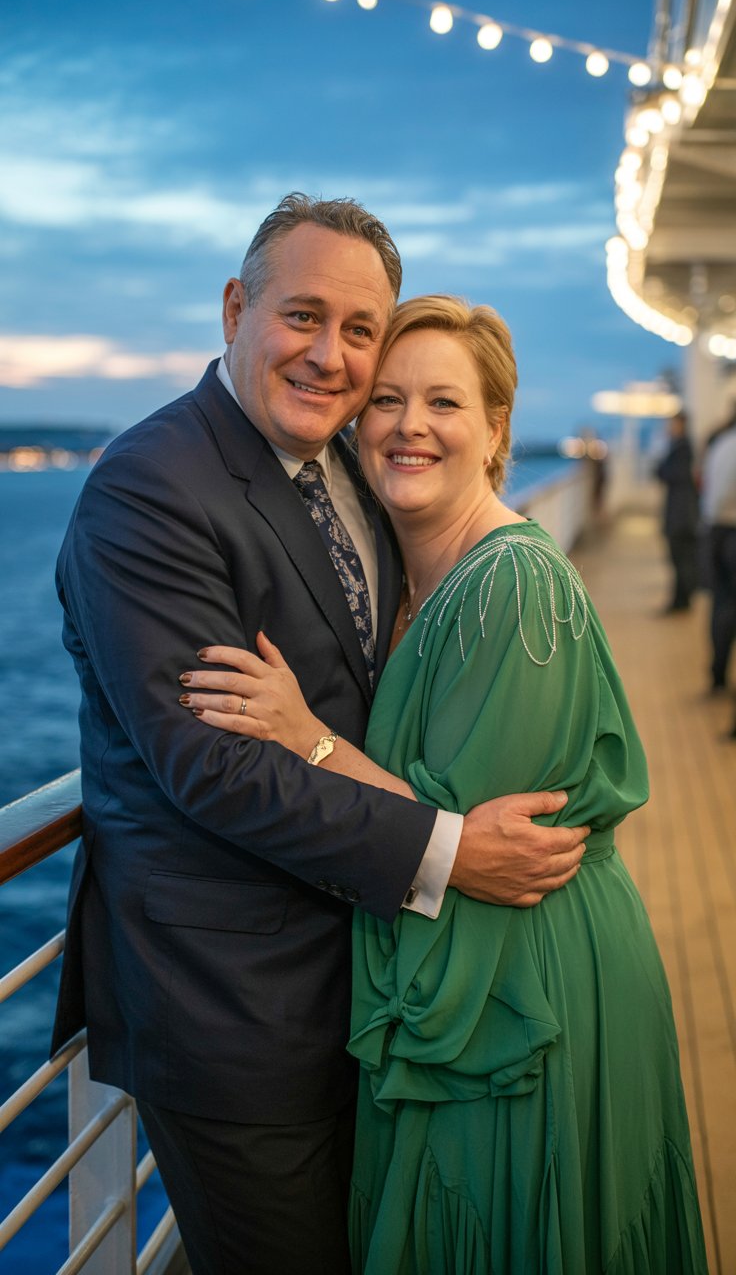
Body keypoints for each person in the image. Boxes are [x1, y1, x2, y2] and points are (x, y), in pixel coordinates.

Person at [50, 196, 589, 1275]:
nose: (330, 357)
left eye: (359, 332)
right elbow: (215, 768)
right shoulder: (150, 489)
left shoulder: (341, 458)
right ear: (236, 307)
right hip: (233, 1018)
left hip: (357, 987)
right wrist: (447, 850)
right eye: (302, 316)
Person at [185, 295, 708, 1273]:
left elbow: (467, 842)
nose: (409, 425)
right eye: (385, 400)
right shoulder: (417, 577)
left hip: (517, 984)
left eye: (444, 402)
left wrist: (304, 736)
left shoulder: (514, 586)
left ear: (496, 427)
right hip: (478, 952)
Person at [701, 414, 736, 707]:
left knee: (721, 604)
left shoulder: (721, 443)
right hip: (733, 530)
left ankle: (717, 674)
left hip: (714, 530)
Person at [655, 412, 700, 613]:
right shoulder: (683, 447)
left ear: (681, 424)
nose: (669, 427)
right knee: (680, 558)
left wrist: (661, 466)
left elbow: (667, 473)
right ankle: (681, 599)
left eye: (672, 423)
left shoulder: (682, 448)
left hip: (681, 514)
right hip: (683, 512)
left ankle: (681, 601)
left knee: (680, 558)